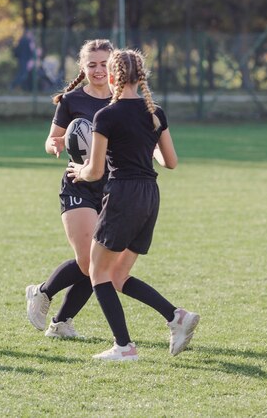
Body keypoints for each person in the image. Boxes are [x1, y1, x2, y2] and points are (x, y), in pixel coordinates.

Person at [66, 48, 200, 361]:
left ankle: (124, 347)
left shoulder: (106, 115)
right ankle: (176, 317)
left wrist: (78, 170)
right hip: (150, 196)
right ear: (141, 78)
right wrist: (146, 149)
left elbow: (95, 171)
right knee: (118, 277)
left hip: (123, 196)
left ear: (112, 78)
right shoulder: (155, 113)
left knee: (98, 272)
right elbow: (171, 162)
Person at [25, 39, 114, 338]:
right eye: (92, 65)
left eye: (104, 64)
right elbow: (52, 138)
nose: (99, 70)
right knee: (89, 261)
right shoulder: (71, 101)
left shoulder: (123, 99)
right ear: (82, 68)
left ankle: (61, 323)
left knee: (97, 267)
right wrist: (55, 146)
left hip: (112, 189)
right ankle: (43, 292)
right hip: (78, 184)